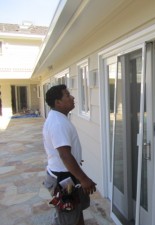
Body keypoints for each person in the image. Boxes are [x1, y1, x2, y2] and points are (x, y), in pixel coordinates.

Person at [42, 84, 97, 225]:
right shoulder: (58, 123)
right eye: (67, 95)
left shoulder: (59, 118)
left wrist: (77, 160)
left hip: (67, 174)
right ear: (58, 102)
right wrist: (84, 179)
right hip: (64, 180)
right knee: (68, 218)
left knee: (76, 212)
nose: (72, 97)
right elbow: (65, 155)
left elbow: (66, 153)